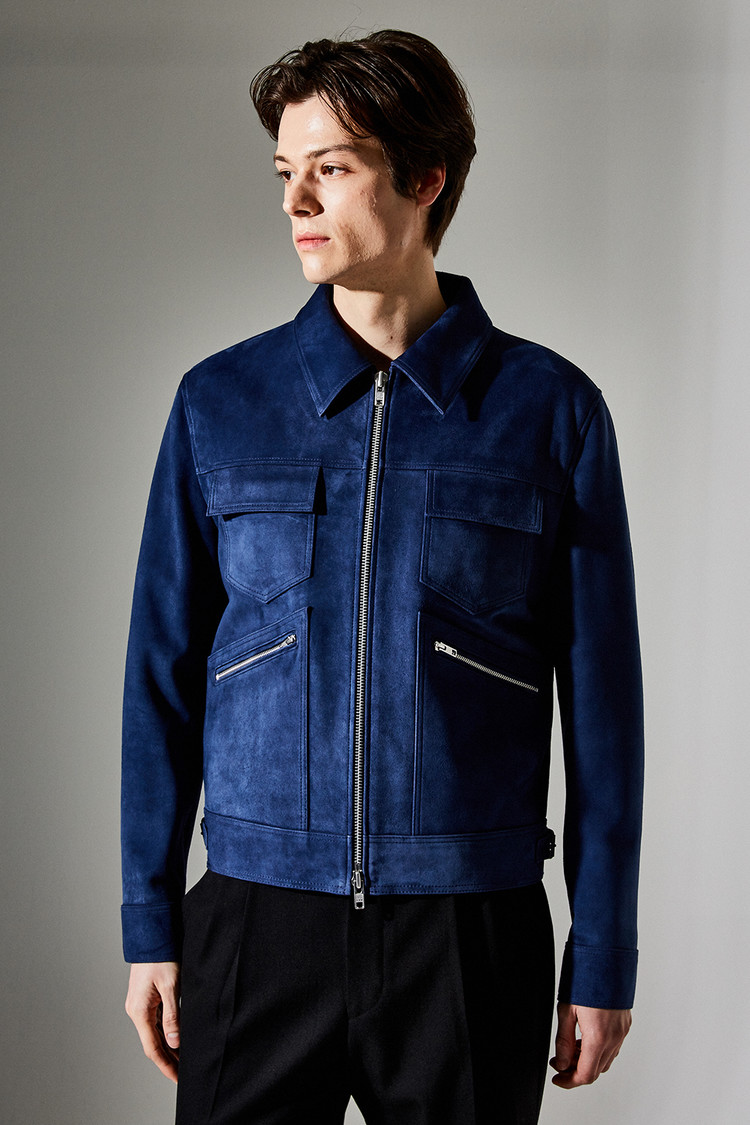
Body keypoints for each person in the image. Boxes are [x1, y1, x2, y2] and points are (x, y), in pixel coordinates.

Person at [122, 29, 643, 1125]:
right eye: (285, 170)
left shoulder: (551, 412)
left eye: (332, 166)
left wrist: (602, 951)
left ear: (425, 178)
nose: (295, 200)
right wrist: (150, 923)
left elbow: (605, 714)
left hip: (469, 930)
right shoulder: (220, 404)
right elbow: (159, 682)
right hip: (259, 919)